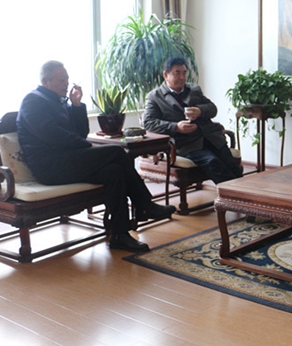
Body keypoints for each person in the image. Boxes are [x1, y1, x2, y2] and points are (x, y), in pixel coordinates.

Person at [17, 60, 175, 253]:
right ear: (45, 81)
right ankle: (144, 204)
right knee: (116, 151)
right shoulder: (33, 101)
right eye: (62, 80)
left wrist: (76, 105)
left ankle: (120, 235)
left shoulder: (58, 101)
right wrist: (87, 145)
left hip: (67, 160)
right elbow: (53, 134)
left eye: (67, 79)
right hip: (50, 167)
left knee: (114, 171)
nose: (67, 83)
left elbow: (80, 132)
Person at [142, 57, 243, 184]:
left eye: (184, 73)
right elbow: (148, 122)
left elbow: (213, 109)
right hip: (186, 144)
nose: (182, 77)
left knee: (231, 164)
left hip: (211, 137)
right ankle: (234, 193)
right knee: (213, 162)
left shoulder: (194, 90)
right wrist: (176, 127)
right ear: (166, 75)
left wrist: (200, 111)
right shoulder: (155, 97)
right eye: (177, 73)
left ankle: (242, 192)